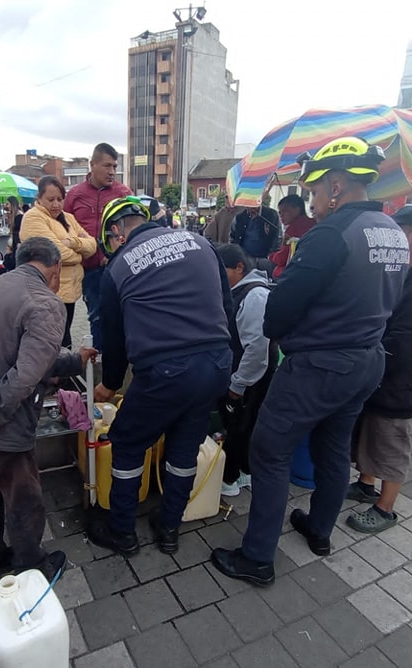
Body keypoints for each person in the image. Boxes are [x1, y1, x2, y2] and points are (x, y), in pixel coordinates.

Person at [211, 137, 407, 587]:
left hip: (319, 365)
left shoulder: (331, 235)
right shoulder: (392, 231)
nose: (313, 202)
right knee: (334, 448)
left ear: (335, 186)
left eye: (316, 192)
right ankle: (319, 530)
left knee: (269, 450)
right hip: (366, 360)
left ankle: (258, 557)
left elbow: (277, 315)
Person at [0, 237, 96, 590]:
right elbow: (22, 379)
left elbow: (23, 359)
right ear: (55, 269)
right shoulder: (45, 302)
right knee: (22, 498)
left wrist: (75, 358)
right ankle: (30, 566)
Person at [86, 196, 232, 557]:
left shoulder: (118, 268)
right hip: (216, 363)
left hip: (166, 372)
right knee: (184, 445)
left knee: (128, 442)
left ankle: (122, 531)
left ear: (117, 231)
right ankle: (169, 528)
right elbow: (226, 308)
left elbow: (114, 340)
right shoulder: (201, 243)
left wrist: (111, 383)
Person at [343, 206, 412, 533]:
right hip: (380, 373)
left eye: (397, 230)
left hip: (401, 381)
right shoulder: (406, 271)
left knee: (391, 441)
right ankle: (365, 484)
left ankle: (386, 507)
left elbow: (405, 345)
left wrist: (369, 362)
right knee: (369, 432)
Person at [215, 244, 276, 496]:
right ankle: (243, 472)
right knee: (244, 424)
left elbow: (257, 348)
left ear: (239, 267)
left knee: (242, 426)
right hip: (245, 373)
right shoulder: (240, 291)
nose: (219, 277)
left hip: (252, 377)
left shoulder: (255, 296)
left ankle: (231, 479)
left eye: (223, 271)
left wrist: (238, 383)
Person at [64, 143, 132, 352]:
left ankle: (124, 361)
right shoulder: (74, 195)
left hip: (118, 269)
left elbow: (134, 231)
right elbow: (64, 228)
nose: (112, 171)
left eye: (114, 166)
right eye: (107, 166)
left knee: (123, 314)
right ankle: (102, 361)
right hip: (89, 269)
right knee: (96, 315)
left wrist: (113, 254)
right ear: (92, 164)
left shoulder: (124, 193)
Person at [21, 176, 97, 348]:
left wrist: (73, 243)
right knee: (54, 341)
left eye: (60, 199)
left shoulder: (68, 218)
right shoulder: (33, 218)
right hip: (48, 293)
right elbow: (54, 254)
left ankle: (63, 372)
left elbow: (92, 245)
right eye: (50, 199)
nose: (56, 204)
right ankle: (57, 373)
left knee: (64, 336)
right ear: (39, 198)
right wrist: (80, 255)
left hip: (68, 293)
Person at [269, 195, 315, 279]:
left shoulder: (293, 228)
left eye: (284, 211)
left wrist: (272, 256)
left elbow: (282, 259)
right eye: (279, 212)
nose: (281, 215)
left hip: (292, 273)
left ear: (297, 209)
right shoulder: (314, 223)